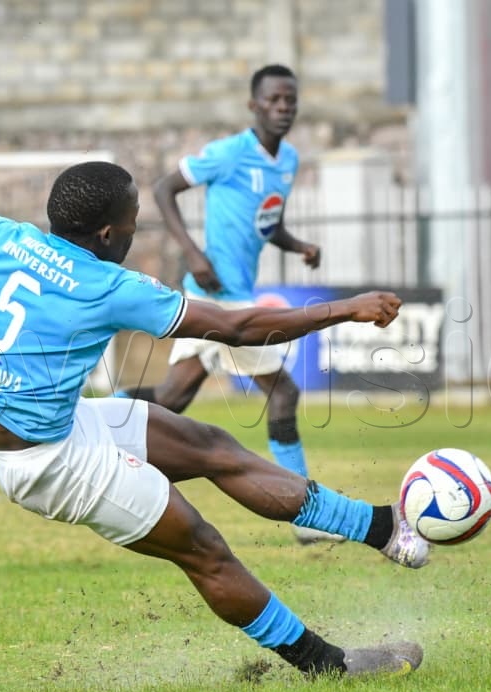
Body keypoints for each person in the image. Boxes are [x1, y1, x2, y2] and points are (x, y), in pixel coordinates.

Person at [0, 161, 428, 677]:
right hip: (49, 465)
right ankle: (326, 666)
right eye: (130, 226)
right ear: (105, 233)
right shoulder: (110, 284)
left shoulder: (3, 236)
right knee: (204, 547)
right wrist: (345, 307)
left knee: (210, 444)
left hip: (61, 425)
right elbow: (239, 328)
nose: (133, 234)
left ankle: (376, 526)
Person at [113, 65, 336, 543]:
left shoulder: (288, 160)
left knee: (173, 399)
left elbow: (267, 221)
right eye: (274, 100)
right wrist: (193, 253)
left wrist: (297, 246)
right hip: (223, 300)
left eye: (289, 101)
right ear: (253, 106)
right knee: (283, 393)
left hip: (224, 295)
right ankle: (307, 514)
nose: (283, 108)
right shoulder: (230, 153)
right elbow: (163, 188)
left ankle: (95, 416)